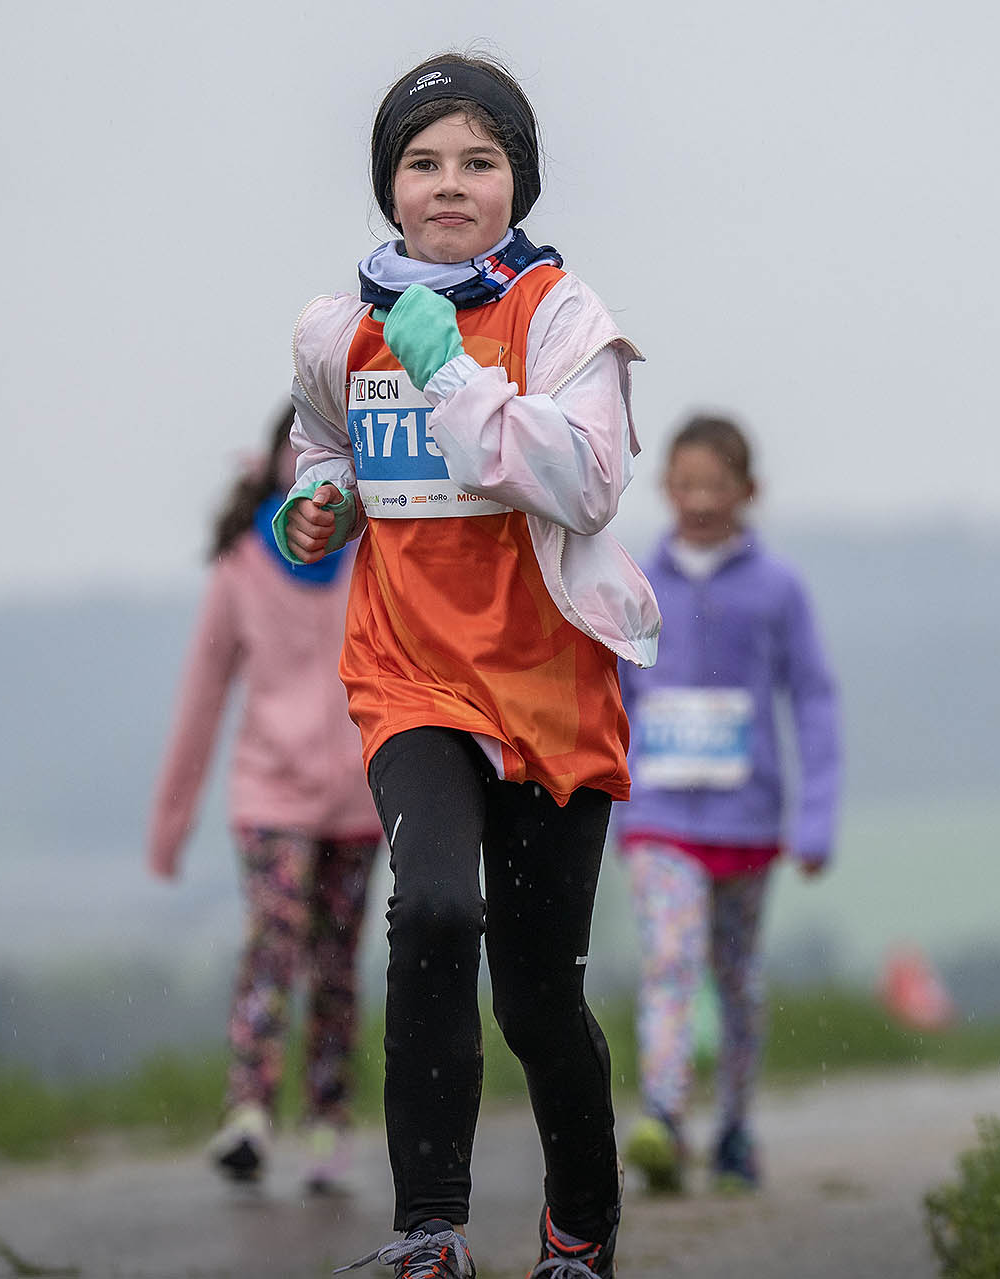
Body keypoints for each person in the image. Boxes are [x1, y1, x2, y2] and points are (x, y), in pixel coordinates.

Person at [276, 52, 659, 1279]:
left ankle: (581, 1228)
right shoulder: (339, 331)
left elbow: (587, 484)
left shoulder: (561, 319)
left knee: (537, 998)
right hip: (409, 678)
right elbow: (324, 448)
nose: (450, 184)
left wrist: (450, 370)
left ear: (517, 184)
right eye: (423, 162)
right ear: (388, 186)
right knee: (435, 909)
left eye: (479, 162)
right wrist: (318, 506)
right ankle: (430, 1230)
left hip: (549, 692)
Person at [147, 406, 382, 1194]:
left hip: (359, 796)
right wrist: (170, 824)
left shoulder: (373, 552)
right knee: (273, 948)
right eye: (299, 445)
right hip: (270, 795)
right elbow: (201, 698)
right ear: (278, 460)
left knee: (337, 966)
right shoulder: (241, 568)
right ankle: (248, 1111)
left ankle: (327, 1118)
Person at [614, 415, 841, 1195]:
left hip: (748, 818)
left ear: (750, 490)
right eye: (687, 485)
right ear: (664, 487)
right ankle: (665, 1117)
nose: (701, 500)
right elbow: (614, 692)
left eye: (717, 485)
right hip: (658, 815)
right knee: (671, 961)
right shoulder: (634, 582)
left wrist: (816, 816)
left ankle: (736, 1127)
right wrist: (608, 798)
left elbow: (813, 696)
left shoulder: (778, 588)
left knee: (736, 977)